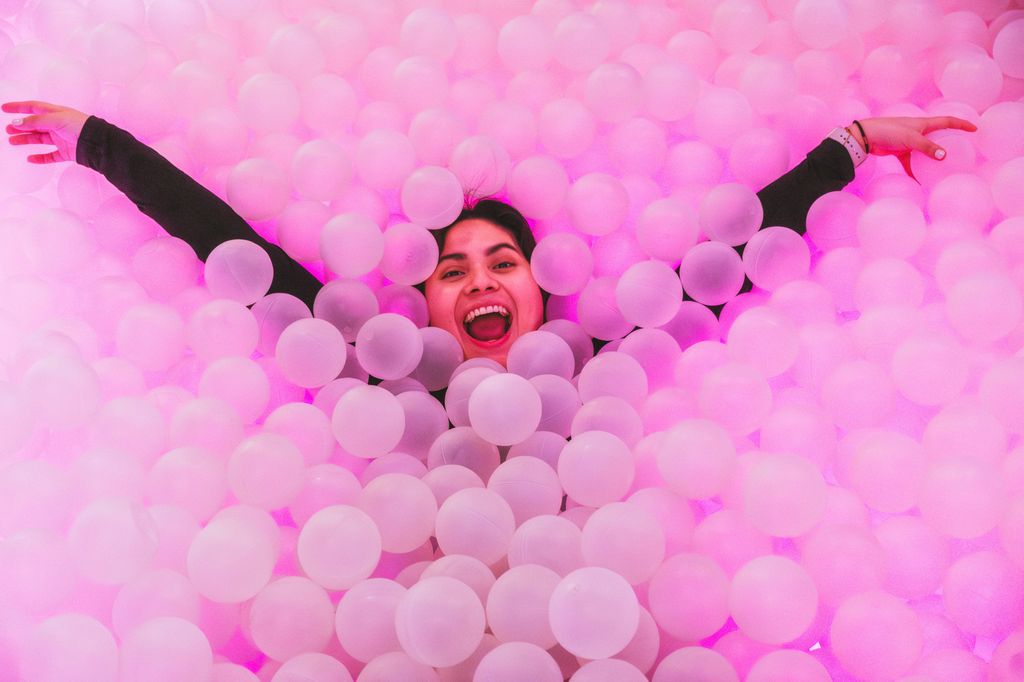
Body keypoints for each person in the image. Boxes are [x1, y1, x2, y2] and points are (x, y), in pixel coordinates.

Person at [3, 101, 976, 369]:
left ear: (542, 287)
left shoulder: (602, 368)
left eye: (501, 262)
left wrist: (848, 147)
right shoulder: (372, 373)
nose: (478, 281)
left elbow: (720, 267)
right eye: (453, 267)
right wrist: (99, 144)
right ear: (418, 299)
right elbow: (225, 244)